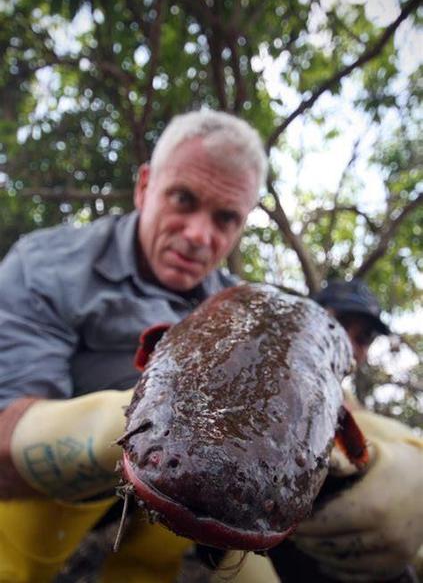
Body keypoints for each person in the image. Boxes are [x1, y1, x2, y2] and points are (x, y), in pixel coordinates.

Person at [0, 109, 421, 583]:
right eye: (183, 199)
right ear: (144, 187)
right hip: (60, 494)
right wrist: (100, 430)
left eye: (225, 218)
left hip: (200, 498)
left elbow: (329, 404)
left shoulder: (249, 308)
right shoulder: (47, 266)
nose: (200, 235)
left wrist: (403, 453)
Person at [214, 279, 423, 583]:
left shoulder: (358, 412)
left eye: (363, 337)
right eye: (336, 324)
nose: (348, 343)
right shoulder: (257, 376)